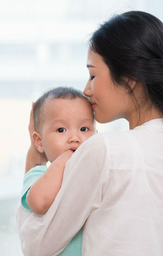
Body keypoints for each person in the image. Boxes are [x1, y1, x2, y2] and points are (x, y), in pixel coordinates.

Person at [16, 11, 163, 256]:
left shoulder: (104, 150)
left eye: (93, 75)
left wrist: (35, 160)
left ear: (130, 77)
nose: (86, 90)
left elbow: (37, 245)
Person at [21, 87, 96, 256]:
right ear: (39, 142)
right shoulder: (38, 174)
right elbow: (39, 202)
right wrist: (64, 159)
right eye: (61, 130)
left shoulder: (95, 171)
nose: (75, 138)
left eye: (84, 129)